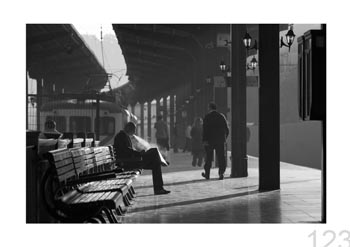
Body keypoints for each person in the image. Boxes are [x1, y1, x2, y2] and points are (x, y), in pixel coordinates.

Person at [114, 122, 170, 195]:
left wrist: (139, 152)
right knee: (154, 151)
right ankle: (162, 163)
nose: (135, 132)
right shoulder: (121, 136)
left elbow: (128, 150)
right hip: (128, 163)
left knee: (155, 163)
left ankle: (159, 188)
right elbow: (126, 150)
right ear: (129, 129)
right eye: (134, 129)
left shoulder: (124, 135)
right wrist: (139, 153)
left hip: (131, 160)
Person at [202, 102, 229, 180]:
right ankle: (221, 173)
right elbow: (227, 129)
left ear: (209, 108)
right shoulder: (221, 116)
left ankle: (207, 174)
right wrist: (224, 138)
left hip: (209, 141)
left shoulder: (207, 117)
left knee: (208, 158)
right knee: (221, 157)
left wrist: (204, 140)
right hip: (220, 140)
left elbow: (205, 130)